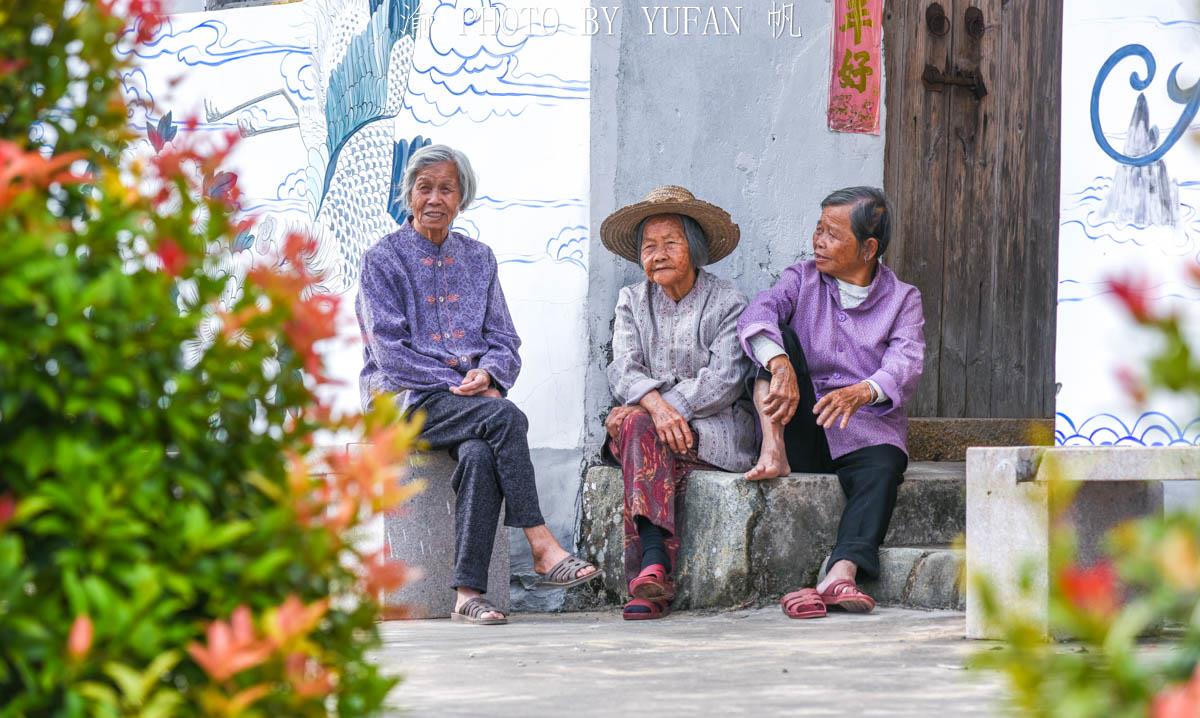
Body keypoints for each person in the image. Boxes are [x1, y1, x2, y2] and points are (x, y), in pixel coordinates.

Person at [356, 144, 600, 625]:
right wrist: (458, 384)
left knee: (480, 453)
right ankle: (541, 543)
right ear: (409, 195)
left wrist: (487, 374)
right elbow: (388, 352)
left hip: (467, 407)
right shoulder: (382, 260)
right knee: (505, 416)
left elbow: (504, 339)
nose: (434, 198)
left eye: (446, 189)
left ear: (461, 198)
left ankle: (467, 594)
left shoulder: (479, 259)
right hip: (405, 401)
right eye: (424, 188)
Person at [737, 186, 924, 619]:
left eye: (832, 234)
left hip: (864, 428)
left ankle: (840, 573)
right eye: (818, 229)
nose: (818, 241)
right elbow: (757, 313)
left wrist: (863, 391)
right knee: (774, 341)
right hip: (799, 423)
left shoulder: (903, 299)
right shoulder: (801, 278)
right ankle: (773, 451)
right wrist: (781, 364)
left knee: (884, 468)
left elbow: (907, 361)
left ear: (868, 248)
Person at [601, 185, 756, 621]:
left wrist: (653, 406)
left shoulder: (727, 300)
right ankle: (655, 569)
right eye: (649, 246)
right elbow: (622, 368)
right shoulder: (632, 300)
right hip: (653, 425)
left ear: (696, 248)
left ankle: (650, 571)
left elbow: (725, 378)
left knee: (635, 426)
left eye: (671, 243)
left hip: (714, 428)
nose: (659, 254)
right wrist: (656, 408)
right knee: (641, 428)